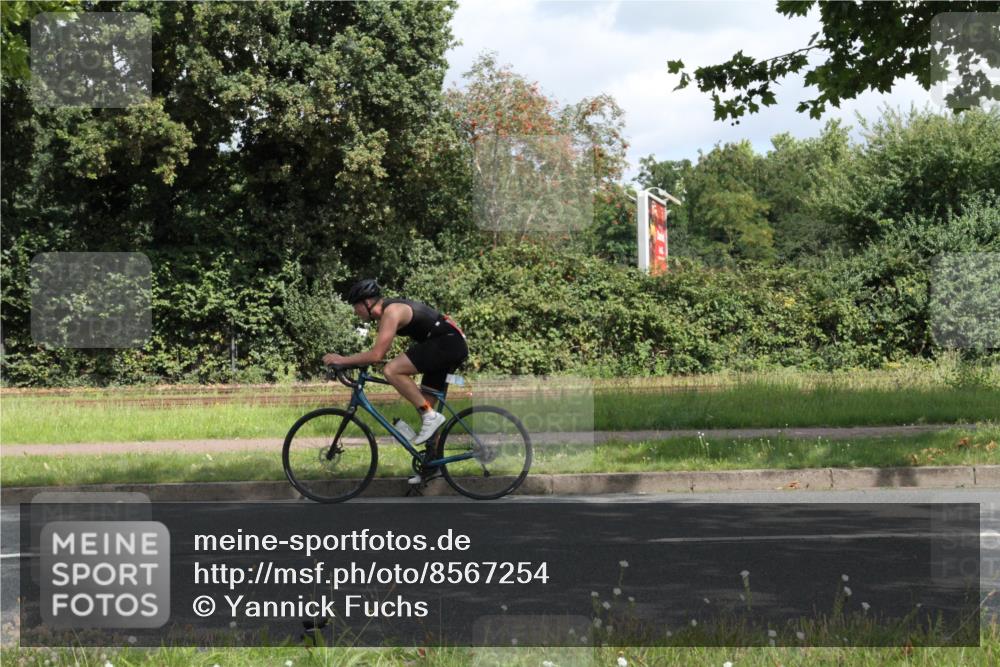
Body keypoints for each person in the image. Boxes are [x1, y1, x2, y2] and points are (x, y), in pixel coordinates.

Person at [322, 278, 468, 453]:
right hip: (446, 344)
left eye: (356, 305)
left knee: (392, 370)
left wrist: (341, 360)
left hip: (446, 343)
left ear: (367, 302)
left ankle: (430, 415)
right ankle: (432, 468)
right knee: (426, 408)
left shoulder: (391, 312)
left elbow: (377, 355)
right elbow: (376, 351)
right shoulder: (386, 313)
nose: (355, 311)